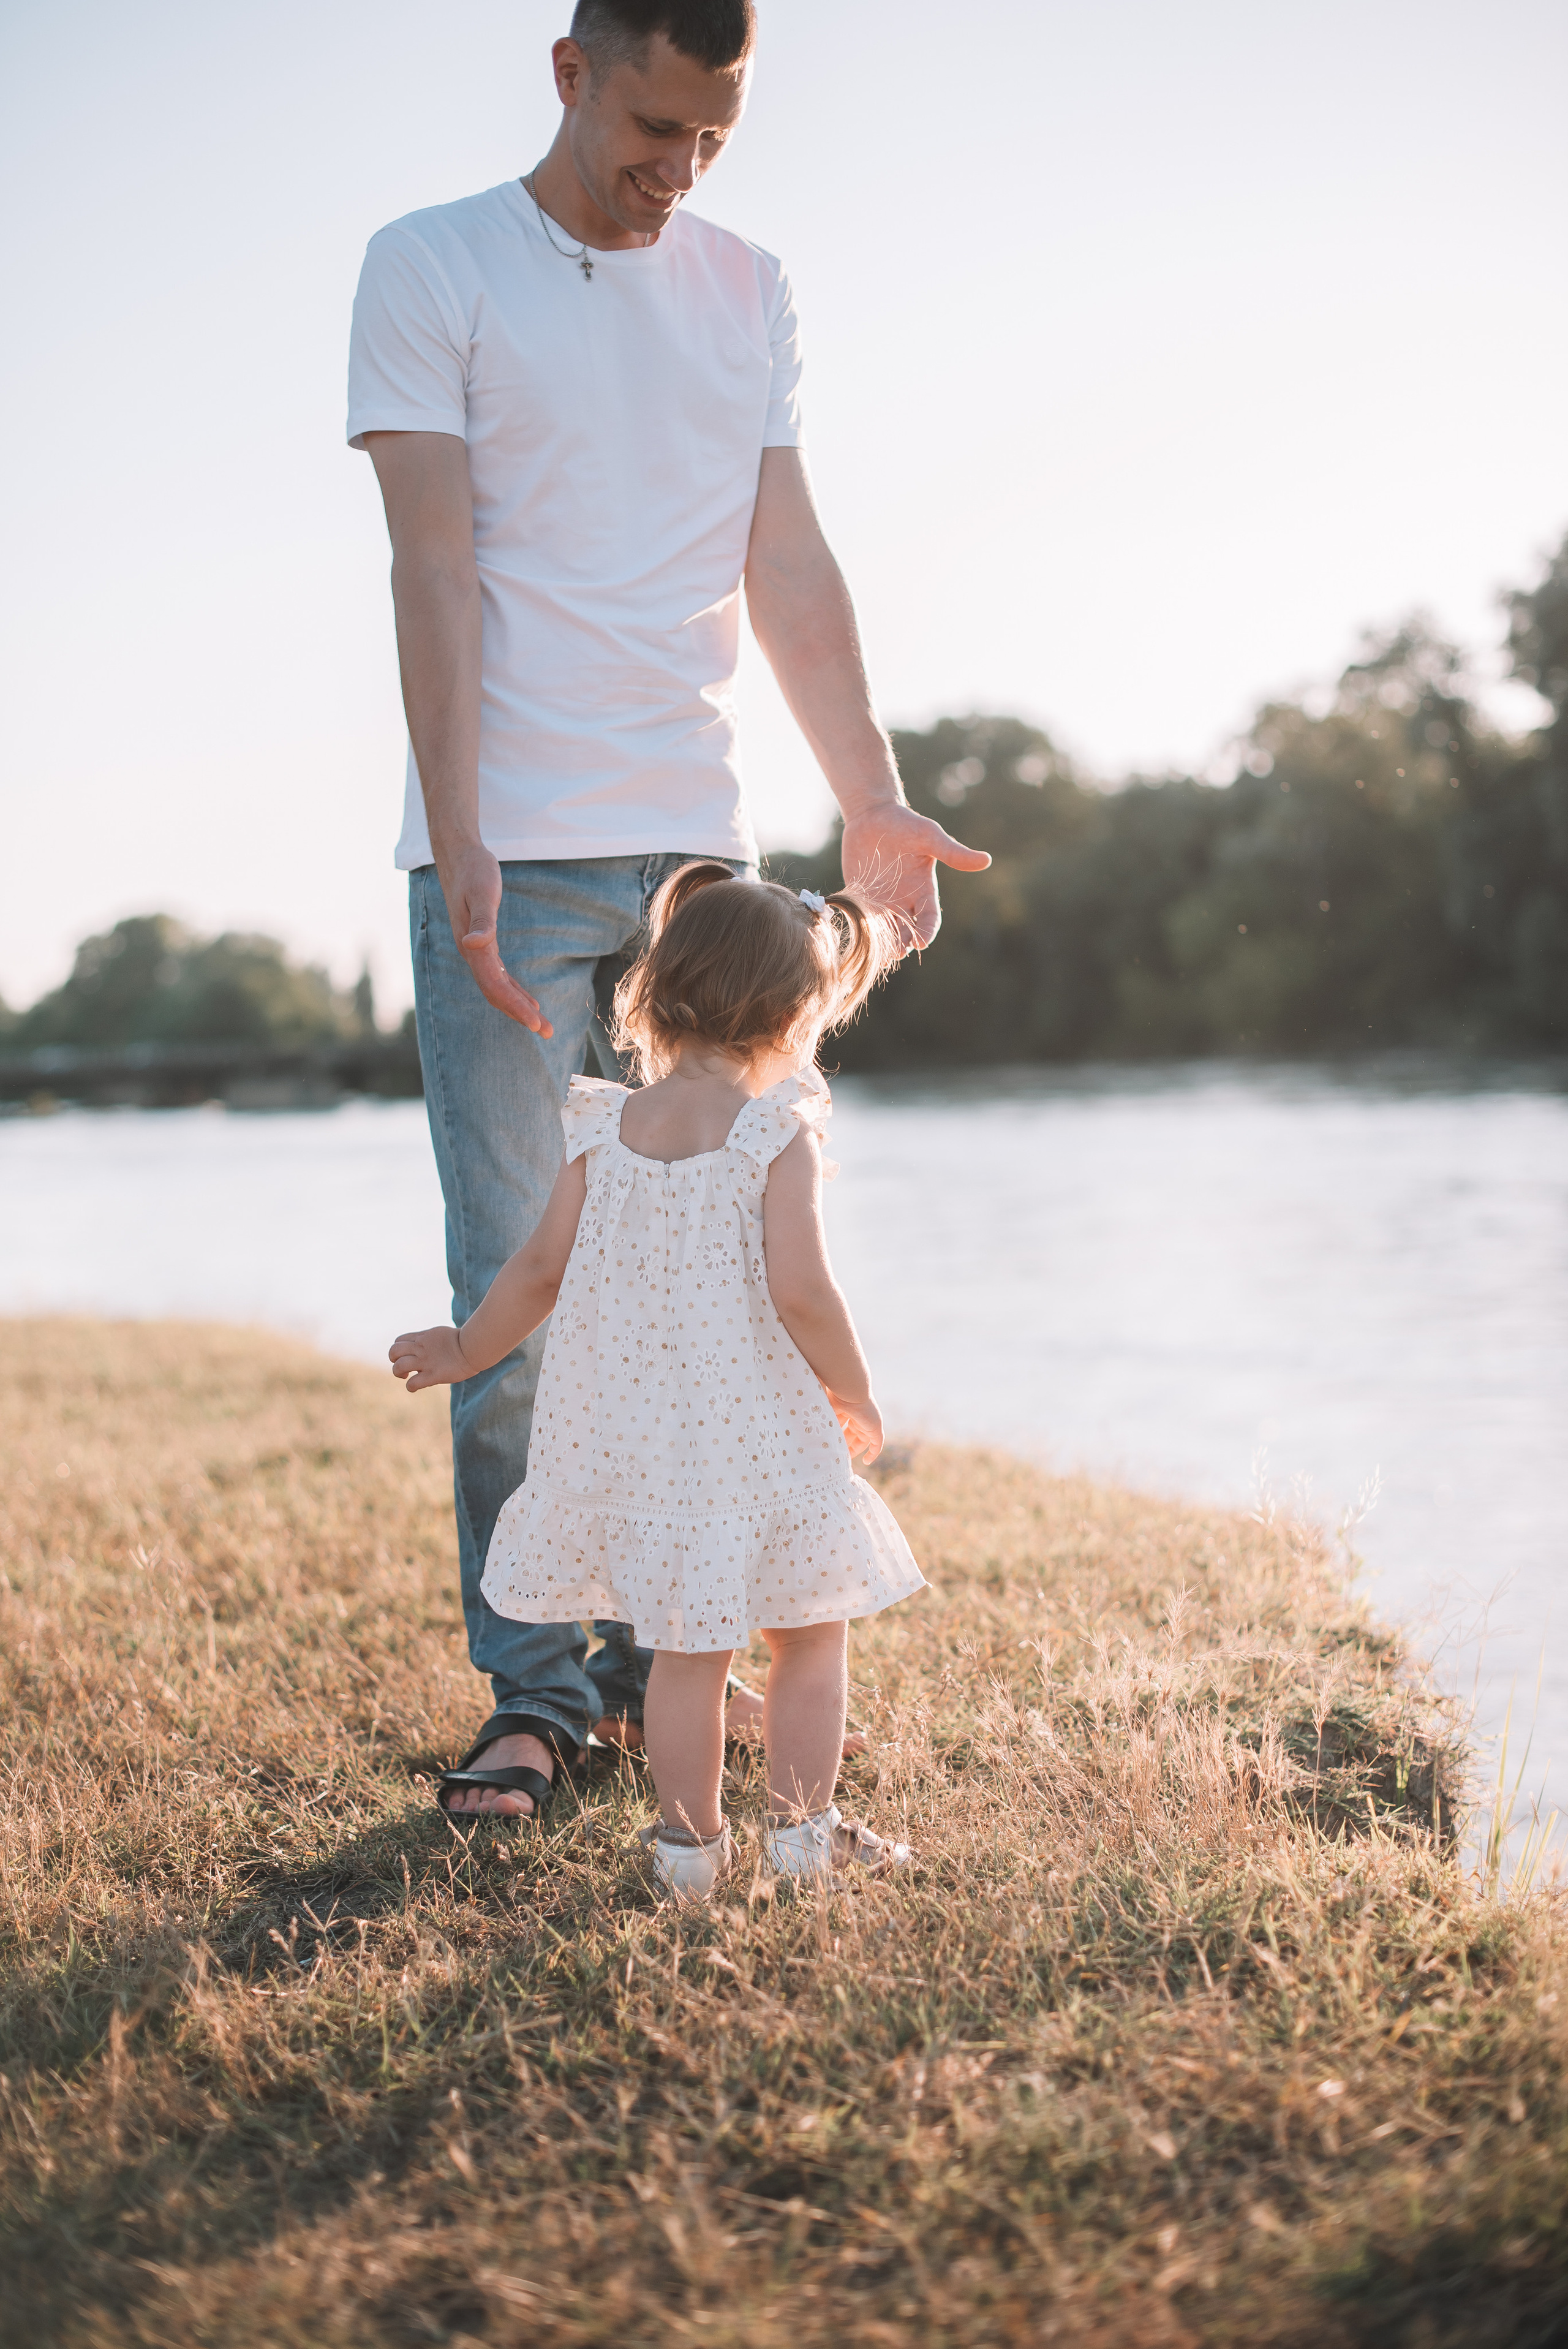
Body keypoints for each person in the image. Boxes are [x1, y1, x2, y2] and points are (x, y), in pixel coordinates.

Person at [349, 0, 986, 1821]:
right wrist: (458, 828)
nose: (676, 171)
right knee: (516, 1286)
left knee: (700, 1288)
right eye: (651, 128)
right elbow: (432, 561)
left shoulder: (747, 284)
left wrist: (866, 796)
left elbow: (783, 553)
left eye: (712, 137)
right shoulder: (432, 264)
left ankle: (662, 1669)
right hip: (509, 854)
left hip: (693, 859)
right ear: (570, 73)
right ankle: (538, 1696)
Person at [391, 866, 924, 1894]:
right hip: (761, 1433)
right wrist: (855, 1390)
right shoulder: (778, 1132)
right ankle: (805, 1838)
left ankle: (688, 1857)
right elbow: (804, 1289)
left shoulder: (602, 1126)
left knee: (689, 1649)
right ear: (792, 1014)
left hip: (649, 1447)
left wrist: (465, 1348)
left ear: (659, 987)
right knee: (811, 1635)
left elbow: (537, 1269)